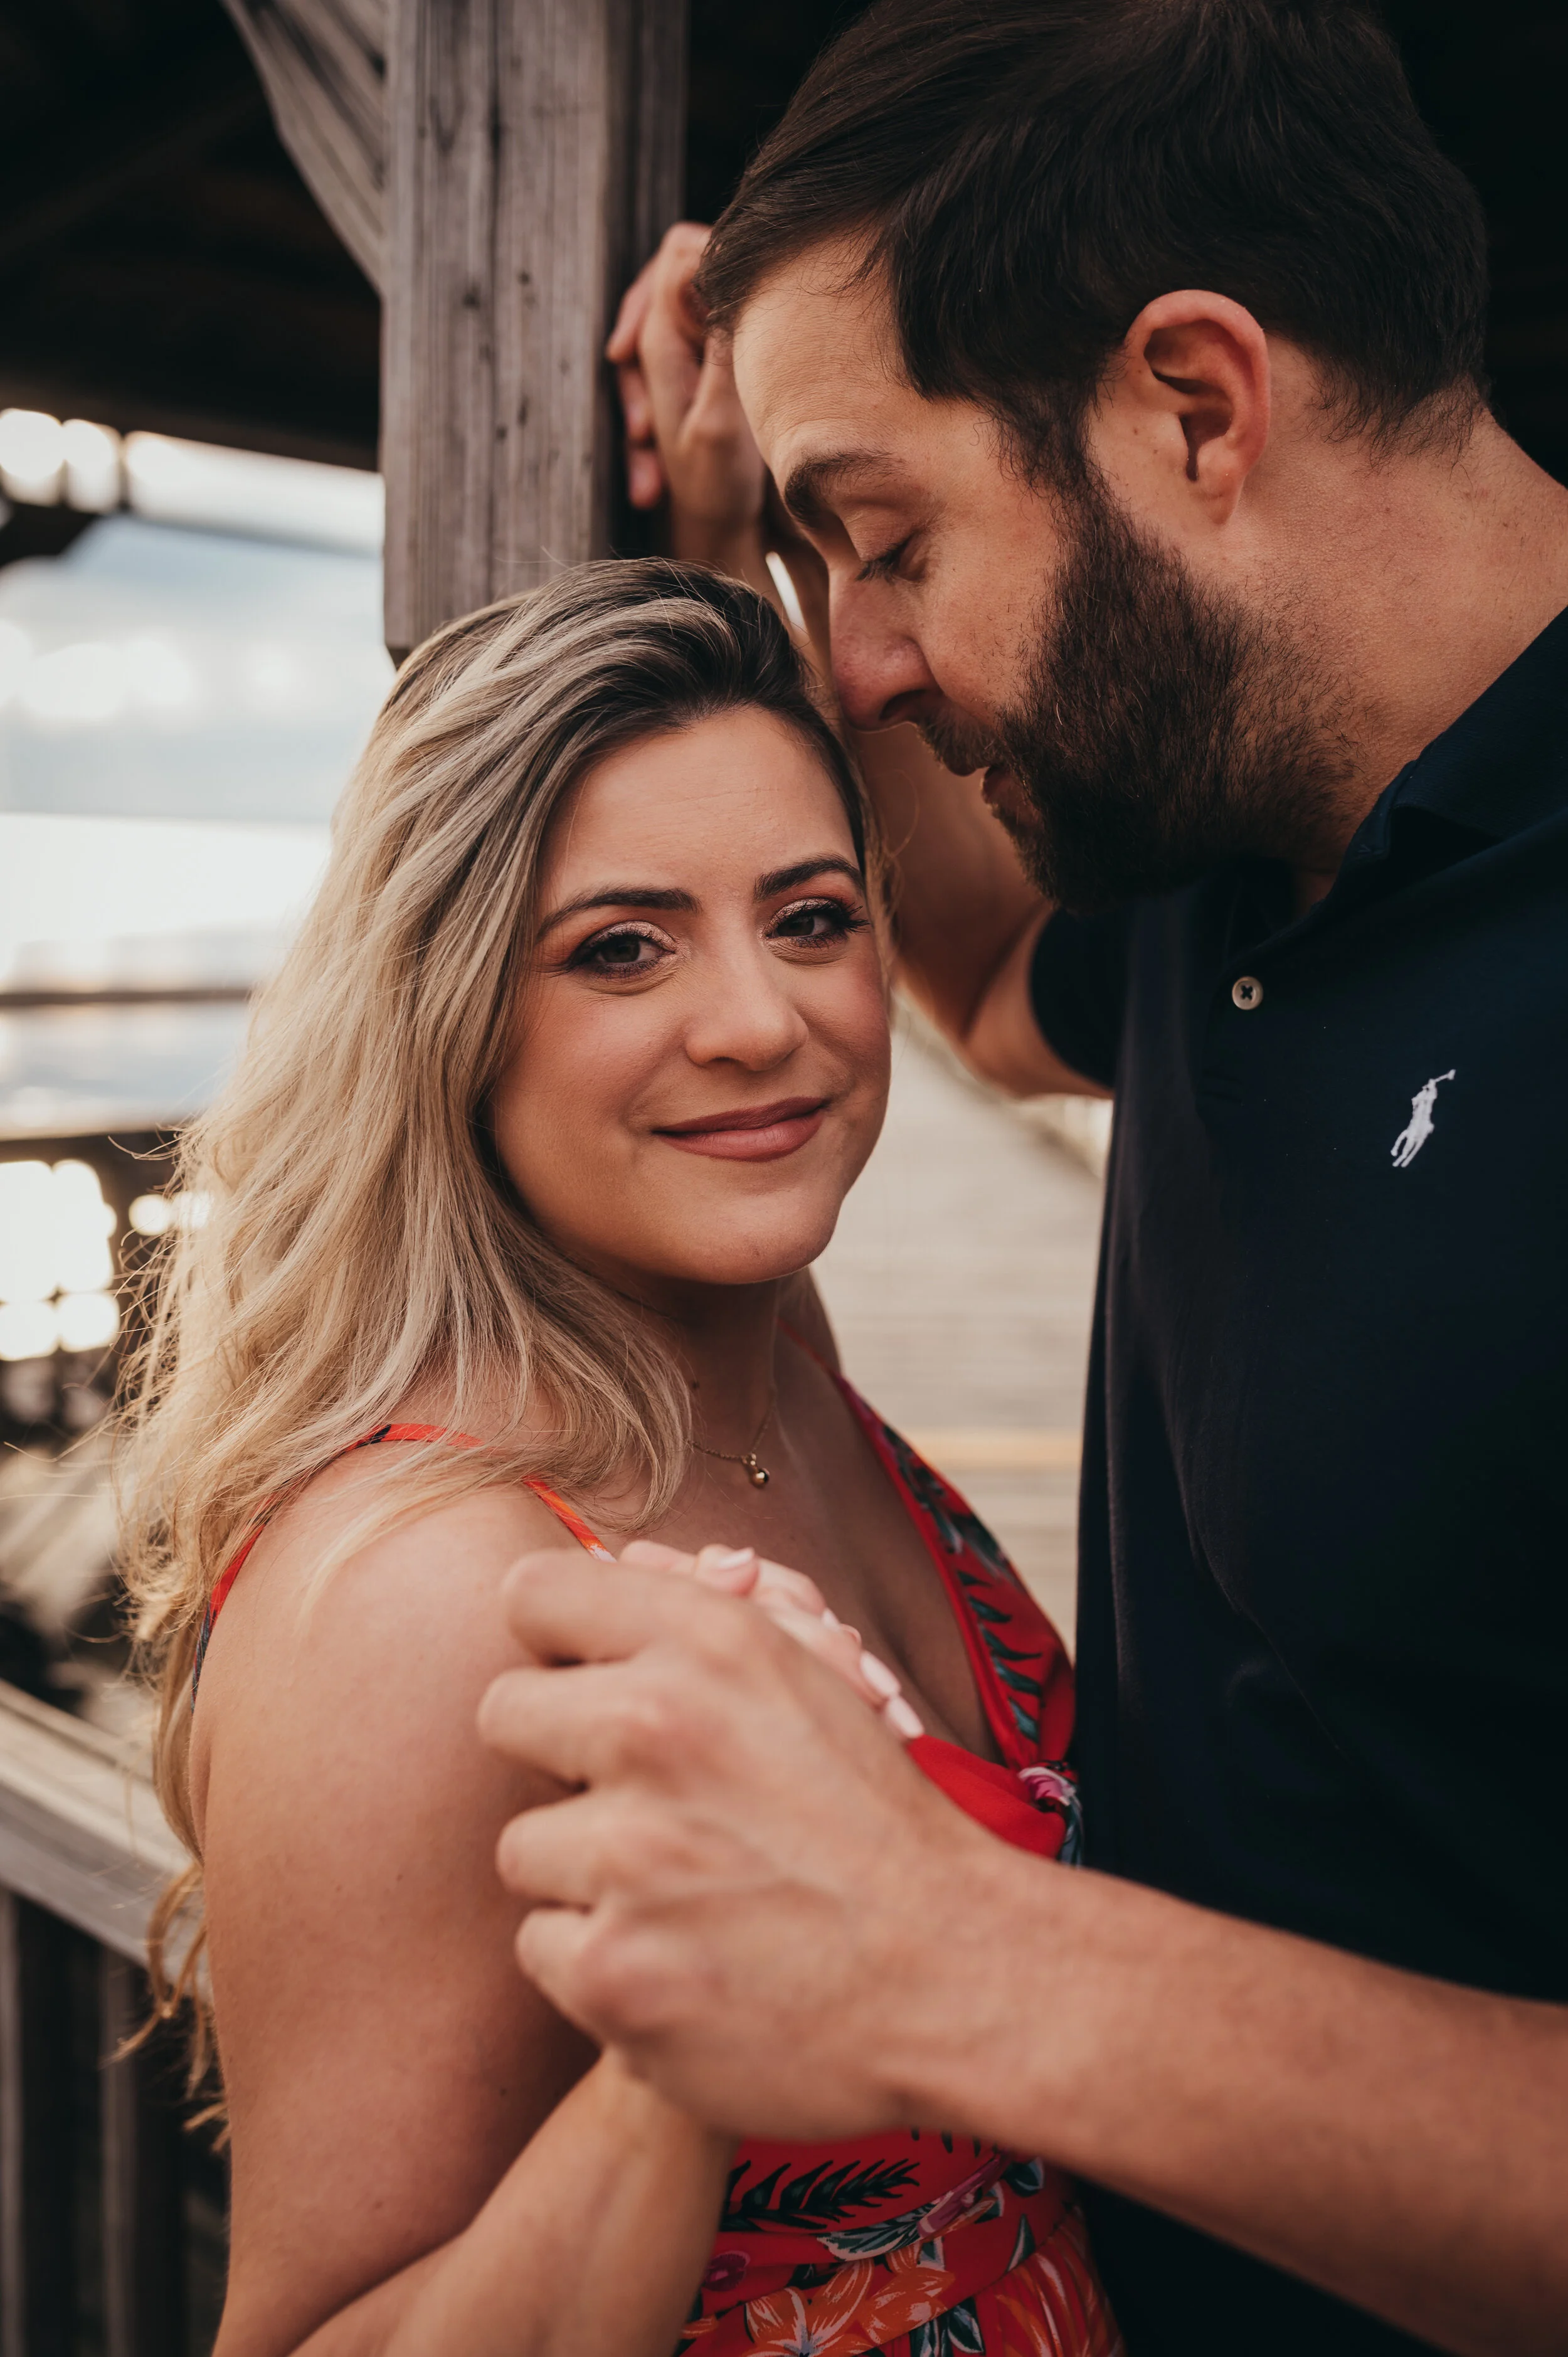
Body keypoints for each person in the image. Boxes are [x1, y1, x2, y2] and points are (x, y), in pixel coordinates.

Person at [475, 4, 1568, 2354]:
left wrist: (946, 1951)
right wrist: (734, 539)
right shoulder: (1219, 820)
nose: (853, 670)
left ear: (1195, 405)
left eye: (885, 542)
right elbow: (974, 976)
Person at [120, 560, 1122, 2356]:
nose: (760, 1020)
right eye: (620, 947)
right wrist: (682, 2062)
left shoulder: (778, 1360)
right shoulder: (427, 1584)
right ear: (449, 1008)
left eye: (811, 918)